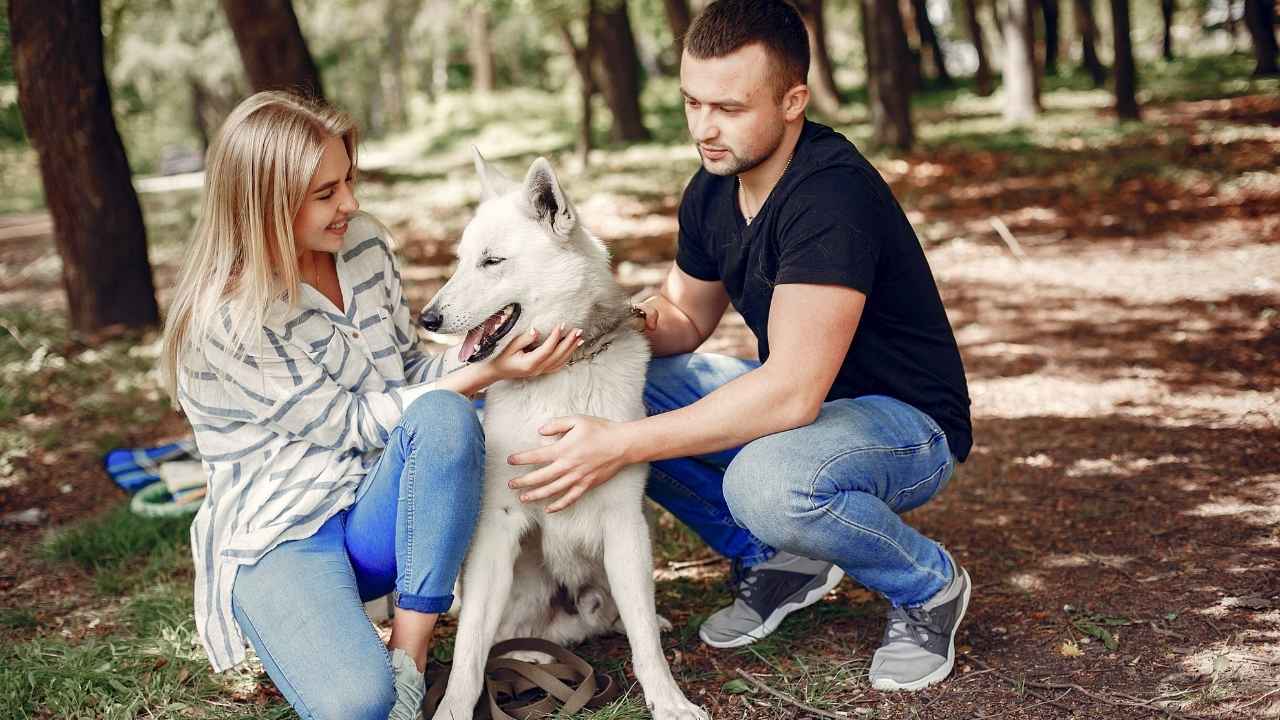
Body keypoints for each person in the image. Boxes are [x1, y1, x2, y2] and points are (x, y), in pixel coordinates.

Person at [505, 0, 974, 692]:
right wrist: (598, 318)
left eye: (728, 107)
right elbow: (682, 322)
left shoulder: (831, 198)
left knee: (769, 483)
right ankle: (777, 557)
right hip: (808, 412)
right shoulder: (713, 187)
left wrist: (618, 443)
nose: (703, 127)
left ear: (793, 101)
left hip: (904, 425)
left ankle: (928, 587)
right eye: (693, 101)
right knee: (615, 376)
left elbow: (790, 392)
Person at [159, 91, 584, 720]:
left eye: (349, 180)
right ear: (267, 205)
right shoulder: (225, 317)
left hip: (380, 510)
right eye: (326, 193)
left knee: (443, 419)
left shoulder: (361, 248)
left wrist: (499, 349)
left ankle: (410, 660)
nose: (351, 205)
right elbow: (351, 422)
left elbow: (408, 373)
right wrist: (487, 372)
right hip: (283, 533)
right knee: (357, 705)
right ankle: (339, 644)